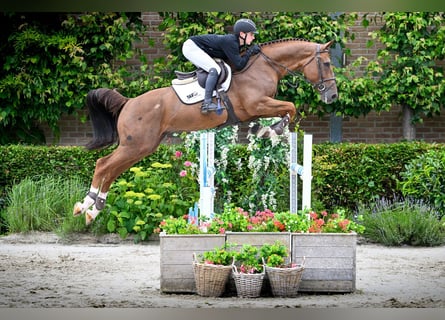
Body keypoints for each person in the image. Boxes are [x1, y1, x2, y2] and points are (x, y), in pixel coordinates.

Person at [182, 18, 261, 114]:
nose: (253, 37)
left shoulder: (236, 43)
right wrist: (250, 52)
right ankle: (206, 103)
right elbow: (239, 65)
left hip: (199, 48)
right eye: (251, 34)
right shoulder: (231, 42)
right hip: (191, 47)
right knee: (215, 69)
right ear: (242, 34)